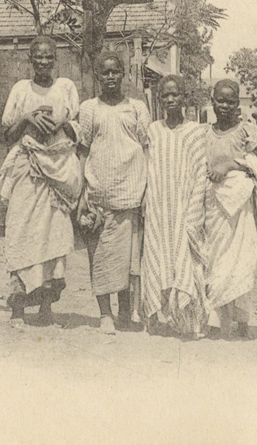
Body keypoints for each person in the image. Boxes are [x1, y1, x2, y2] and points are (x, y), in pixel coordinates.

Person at [0, 36, 82, 327]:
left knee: (53, 238)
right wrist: (28, 118)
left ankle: (46, 307)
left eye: (48, 57)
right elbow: (6, 134)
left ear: (55, 59)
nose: (43, 62)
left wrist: (63, 124)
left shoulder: (66, 88)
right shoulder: (21, 89)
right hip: (28, 170)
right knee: (21, 234)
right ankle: (18, 308)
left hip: (57, 169)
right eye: (38, 58)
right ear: (30, 60)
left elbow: (78, 129)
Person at [76, 51, 151, 334]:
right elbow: (82, 149)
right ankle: (104, 314)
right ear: (98, 76)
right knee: (100, 258)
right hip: (98, 194)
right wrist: (81, 190)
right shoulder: (89, 109)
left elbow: (147, 147)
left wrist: (146, 190)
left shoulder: (137, 108)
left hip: (130, 193)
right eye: (104, 72)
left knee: (129, 261)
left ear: (123, 75)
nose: (110, 77)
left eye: (115, 72)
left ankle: (125, 313)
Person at [140, 75, 210, 337]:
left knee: (187, 261)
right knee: (160, 258)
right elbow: (149, 167)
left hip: (186, 205)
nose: (170, 99)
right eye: (165, 95)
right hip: (159, 206)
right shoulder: (153, 130)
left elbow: (201, 170)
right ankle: (162, 317)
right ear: (159, 99)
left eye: (175, 95)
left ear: (184, 97)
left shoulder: (195, 131)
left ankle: (191, 323)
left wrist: (194, 209)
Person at [203, 79, 257, 339]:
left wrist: (231, 166)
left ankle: (243, 319)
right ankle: (219, 320)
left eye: (231, 101)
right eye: (220, 100)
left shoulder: (247, 131)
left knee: (240, 261)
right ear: (212, 101)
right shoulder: (205, 134)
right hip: (213, 206)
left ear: (238, 103)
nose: (225, 106)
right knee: (216, 260)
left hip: (240, 205)